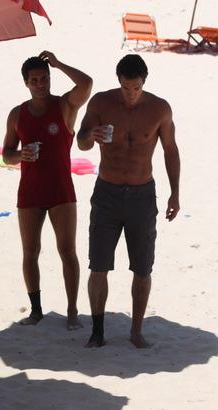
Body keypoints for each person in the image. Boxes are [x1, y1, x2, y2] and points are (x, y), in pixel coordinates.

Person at [77, 54, 181, 348]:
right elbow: (81, 142)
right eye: (126, 88)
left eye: (135, 88)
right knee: (98, 265)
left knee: (142, 267)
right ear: (119, 81)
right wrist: (91, 136)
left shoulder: (159, 109)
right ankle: (97, 331)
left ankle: (136, 330)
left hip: (141, 194)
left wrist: (175, 192)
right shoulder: (101, 103)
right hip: (107, 191)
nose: (131, 94)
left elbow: (170, 150)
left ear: (143, 83)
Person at [2, 51, 92, 330]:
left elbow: (87, 84)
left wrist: (59, 63)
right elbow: (6, 153)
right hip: (29, 193)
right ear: (26, 83)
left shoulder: (64, 105)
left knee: (67, 251)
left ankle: (73, 311)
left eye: (44, 78)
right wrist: (20, 156)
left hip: (61, 191)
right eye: (34, 80)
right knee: (30, 251)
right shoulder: (17, 114)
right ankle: (36, 310)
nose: (40, 84)